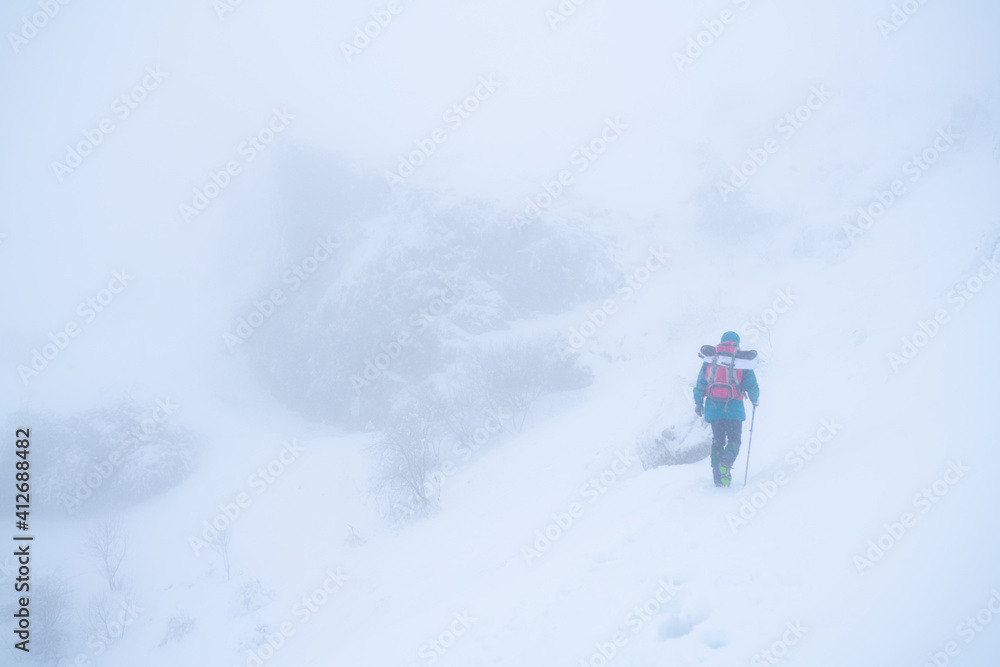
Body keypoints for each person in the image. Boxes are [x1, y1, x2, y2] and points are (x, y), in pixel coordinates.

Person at [693, 331, 759, 487]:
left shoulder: (711, 358)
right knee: (734, 440)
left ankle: (717, 475)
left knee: (718, 441)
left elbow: (701, 382)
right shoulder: (741, 360)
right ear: (737, 343)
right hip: (734, 408)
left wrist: (698, 403)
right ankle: (726, 462)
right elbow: (751, 384)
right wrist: (755, 400)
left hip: (713, 408)